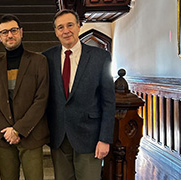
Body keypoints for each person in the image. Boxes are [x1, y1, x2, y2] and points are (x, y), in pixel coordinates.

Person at [42, 9, 116, 180]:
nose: (65, 31)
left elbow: (108, 101)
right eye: (60, 27)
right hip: (59, 136)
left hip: (90, 136)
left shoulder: (100, 57)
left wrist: (105, 139)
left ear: (79, 26)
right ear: (55, 31)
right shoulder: (47, 58)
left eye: (70, 25)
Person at [0, 14, 49, 180]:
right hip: (4, 137)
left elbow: (41, 100)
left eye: (14, 30)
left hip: (31, 135)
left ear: (21, 32)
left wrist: (18, 129)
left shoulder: (39, 61)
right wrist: (8, 132)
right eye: (5, 32)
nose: (10, 35)